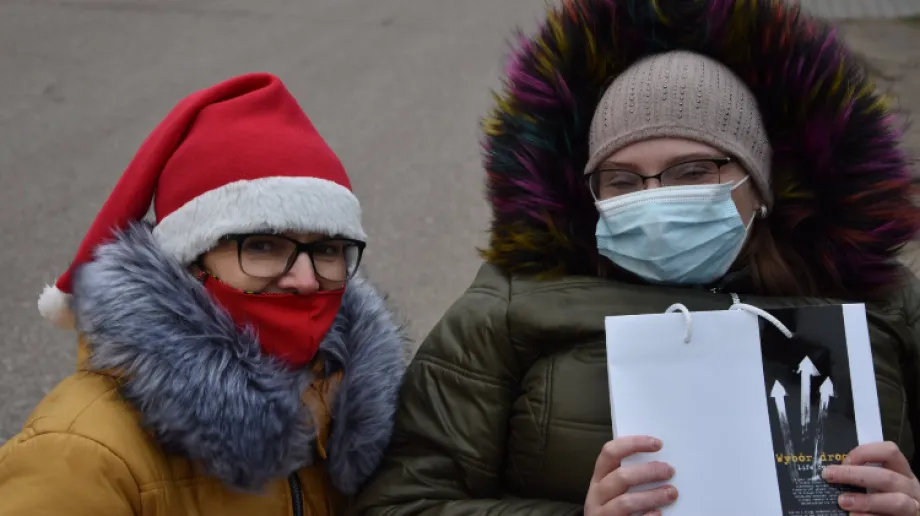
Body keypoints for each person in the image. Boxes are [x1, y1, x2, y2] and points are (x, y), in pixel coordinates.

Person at [354, 0, 920, 514]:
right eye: (621, 179)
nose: (655, 201)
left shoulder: (882, 305)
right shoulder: (507, 308)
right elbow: (402, 503)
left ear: (760, 182)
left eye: (693, 171)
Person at [0, 73, 407, 515]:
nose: (306, 279)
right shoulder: (78, 456)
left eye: (327, 249)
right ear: (190, 262)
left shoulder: (350, 408)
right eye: (264, 245)